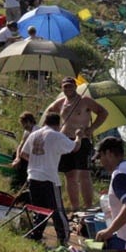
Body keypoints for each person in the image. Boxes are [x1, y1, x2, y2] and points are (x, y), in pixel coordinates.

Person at [19, 112, 83, 245]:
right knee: (57, 210)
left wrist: (37, 162)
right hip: (48, 178)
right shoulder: (56, 136)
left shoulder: (34, 134)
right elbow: (75, 147)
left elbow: (23, 154)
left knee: (39, 210)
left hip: (33, 176)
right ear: (58, 124)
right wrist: (78, 136)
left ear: (45, 122)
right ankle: (63, 238)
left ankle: (36, 235)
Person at [46, 76, 108, 211]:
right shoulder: (61, 102)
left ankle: (88, 206)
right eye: (65, 86)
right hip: (65, 140)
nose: (68, 88)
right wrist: (56, 128)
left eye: (70, 86)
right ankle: (75, 208)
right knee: (70, 175)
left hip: (82, 139)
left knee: (84, 174)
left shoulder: (85, 100)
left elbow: (103, 112)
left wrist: (92, 128)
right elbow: (49, 112)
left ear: (75, 87)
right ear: (62, 88)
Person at [10, 111, 37, 193]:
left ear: (29, 121)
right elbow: (20, 145)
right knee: (15, 154)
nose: (23, 126)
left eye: (24, 123)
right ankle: (16, 184)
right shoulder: (27, 132)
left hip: (33, 157)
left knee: (24, 165)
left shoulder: (37, 131)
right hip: (25, 155)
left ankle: (21, 185)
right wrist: (17, 158)